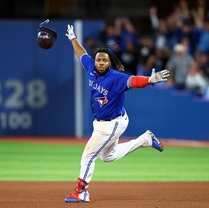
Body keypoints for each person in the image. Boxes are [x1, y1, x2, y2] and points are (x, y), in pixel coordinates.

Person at [64, 25, 170, 203]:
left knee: (88, 155)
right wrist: (73, 38)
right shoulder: (90, 67)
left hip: (112, 123)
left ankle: (81, 191)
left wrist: (150, 80)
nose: (101, 63)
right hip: (103, 122)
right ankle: (144, 140)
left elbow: (133, 81)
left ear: (109, 63)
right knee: (107, 156)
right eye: (99, 60)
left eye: (104, 60)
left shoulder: (115, 78)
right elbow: (81, 54)